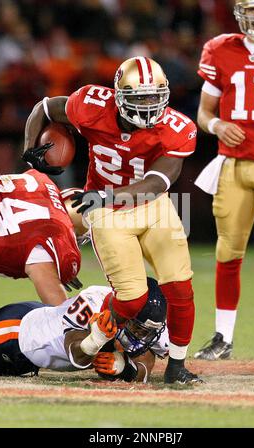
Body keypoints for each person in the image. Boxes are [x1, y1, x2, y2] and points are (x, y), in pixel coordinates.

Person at [22, 56, 200, 384]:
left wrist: (107, 196)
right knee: (132, 300)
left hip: (150, 205)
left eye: (154, 97)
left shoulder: (179, 128)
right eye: (139, 98)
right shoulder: (90, 105)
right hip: (105, 212)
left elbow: (158, 182)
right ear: (119, 96)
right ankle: (91, 331)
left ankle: (177, 365)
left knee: (180, 287)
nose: (148, 107)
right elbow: (44, 109)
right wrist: (29, 151)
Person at [194, 0, 254, 360]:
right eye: (253, 9)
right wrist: (217, 125)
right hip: (232, 163)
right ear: (240, 12)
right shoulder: (220, 49)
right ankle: (223, 337)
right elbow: (204, 112)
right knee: (227, 252)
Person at [0, 278, 171, 383]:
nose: (141, 335)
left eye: (147, 331)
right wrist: (95, 340)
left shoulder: (150, 321)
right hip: (17, 332)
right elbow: (75, 353)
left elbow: (145, 363)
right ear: (124, 312)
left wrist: (127, 370)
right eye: (138, 328)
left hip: (31, 360)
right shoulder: (93, 302)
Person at [0, 169, 82, 305]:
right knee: (32, 311)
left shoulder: (39, 178)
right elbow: (59, 309)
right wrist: (54, 269)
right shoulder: (52, 232)